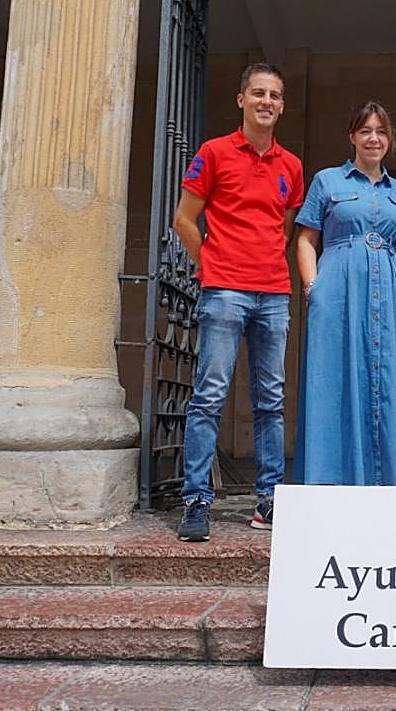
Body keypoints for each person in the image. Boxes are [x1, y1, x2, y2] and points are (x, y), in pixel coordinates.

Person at [172, 63, 303, 541]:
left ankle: (269, 500)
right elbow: (184, 219)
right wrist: (210, 264)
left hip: (273, 292)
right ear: (241, 99)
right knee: (209, 397)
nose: (266, 101)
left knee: (271, 400)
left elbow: (283, 228)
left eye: (274, 95)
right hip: (224, 289)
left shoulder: (291, 165)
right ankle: (197, 500)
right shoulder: (214, 153)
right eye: (258, 93)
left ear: (282, 105)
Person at [295, 102, 396, 485]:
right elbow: (305, 240)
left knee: (395, 378)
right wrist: (313, 289)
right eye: (366, 131)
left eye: (381, 132)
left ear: (389, 140)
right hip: (339, 290)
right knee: (334, 378)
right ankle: (331, 479)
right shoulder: (327, 180)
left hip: (391, 291)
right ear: (352, 136)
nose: (374, 139)